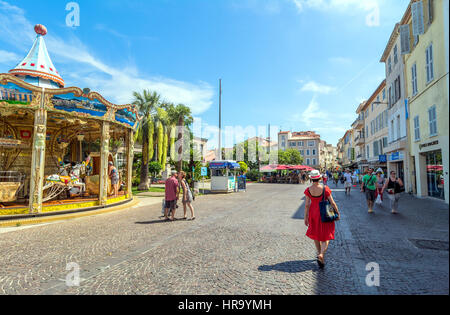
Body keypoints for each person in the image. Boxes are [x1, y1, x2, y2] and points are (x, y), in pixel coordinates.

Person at [304, 170, 340, 269]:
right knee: (326, 235)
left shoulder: (308, 190)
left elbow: (307, 205)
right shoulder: (325, 188)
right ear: (320, 178)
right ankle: (322, 254)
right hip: (325, 213)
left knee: (316, 234)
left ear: (311, 178)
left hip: (313, 213)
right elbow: (332, 202)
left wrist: (305, 217)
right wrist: (337, 212)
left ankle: (319, 252)